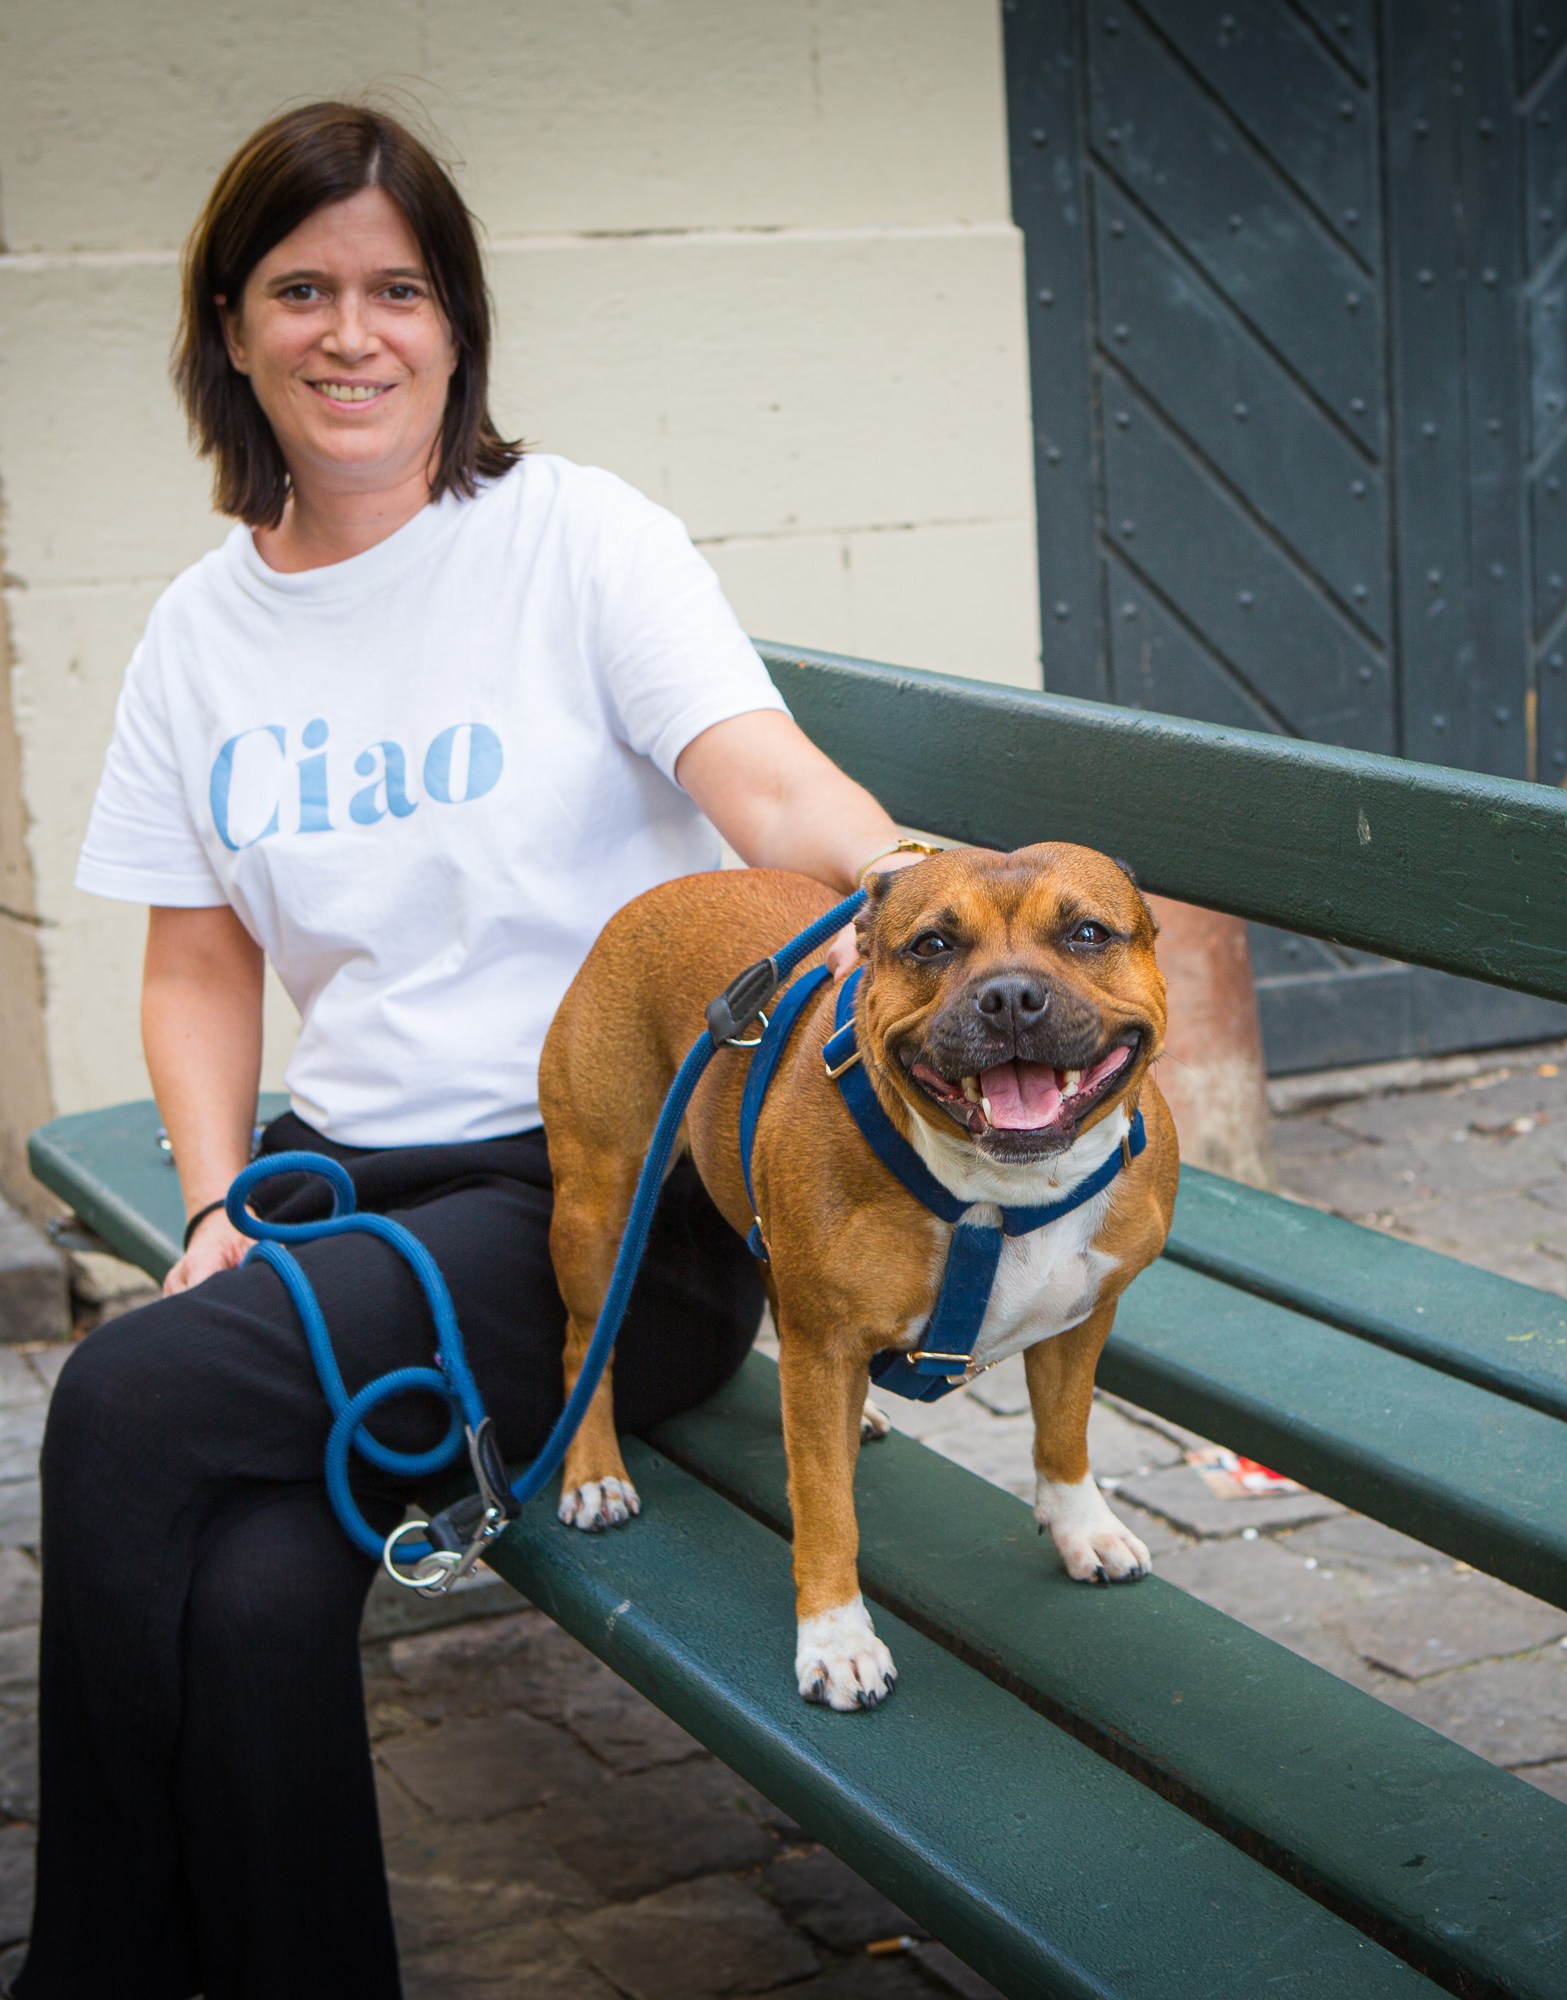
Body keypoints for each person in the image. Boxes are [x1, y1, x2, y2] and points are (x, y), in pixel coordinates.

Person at [24, 102, 919, 1999]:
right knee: (258, 1592)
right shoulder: (202, 632)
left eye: (398, 289)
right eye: (303, 290)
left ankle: (87, 1975)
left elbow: (746, 772)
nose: (354, 334)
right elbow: (198, 969)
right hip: (350, 1201)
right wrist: (207, 1211)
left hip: (605, 1224)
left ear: (457, 323)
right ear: (231, 324)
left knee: (118, 1412)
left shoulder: (578, 540)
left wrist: (899, 873)